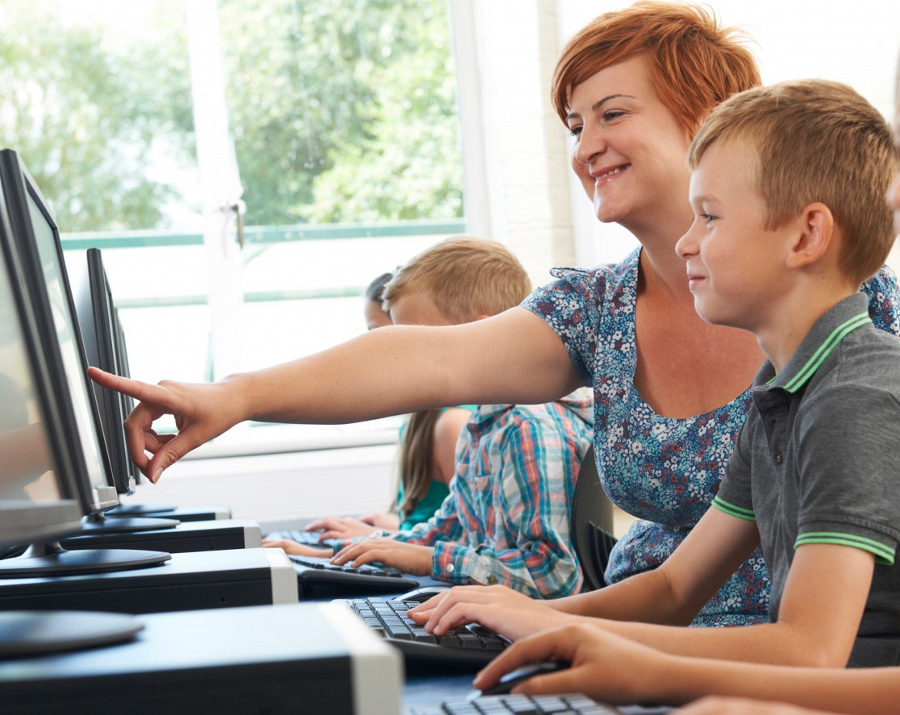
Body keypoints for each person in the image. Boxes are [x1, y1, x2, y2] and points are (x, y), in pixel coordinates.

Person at [88, 1, 900, 626]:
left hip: (788, 658)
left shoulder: (855, 318)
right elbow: (427, 358)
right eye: (575, 126)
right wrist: (236, 396)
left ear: (711, 116)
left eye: (612, 114)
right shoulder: (598, 309)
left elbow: (818, 643)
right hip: (637, 625)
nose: (584, 147)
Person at [433, 78, 900, 691]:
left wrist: (630, 663)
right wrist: (536, 617)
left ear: (806, 235)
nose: (685, 242)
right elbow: (675, 588)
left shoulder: (854, 398)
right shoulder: (780, 393)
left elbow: (809, 651)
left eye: (709, 217)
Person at [270, 237, 595, 598]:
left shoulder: (527, 428)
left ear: (482, 332)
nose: (401, 363)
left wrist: (429, 560)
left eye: (416, 343)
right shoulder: (483, 424)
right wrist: (326, 555)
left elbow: (556, 580)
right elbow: (440, 534)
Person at [265, 270, 474, 546]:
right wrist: (394, 526)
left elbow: (468, 542)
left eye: (382, 335)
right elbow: (437, 524)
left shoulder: (453, 422)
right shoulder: (420, 417)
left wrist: (377, 538)